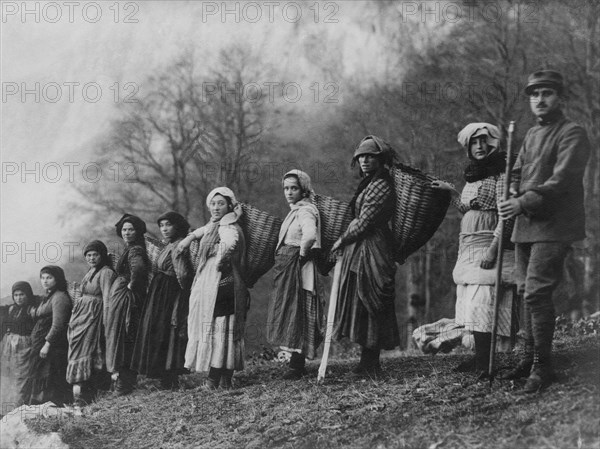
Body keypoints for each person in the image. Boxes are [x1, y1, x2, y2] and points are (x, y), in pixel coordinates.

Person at [498, 70, 590, 393]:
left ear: (560, 97)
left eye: (547, 93)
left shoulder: (573, 134)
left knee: (536, 291)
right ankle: (527, 357)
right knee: (524, 291)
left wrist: (522, 202)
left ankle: (542, 365)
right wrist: (510, 188)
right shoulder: (532, 136)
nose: (540, 99)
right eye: (534, 94)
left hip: (555, 224)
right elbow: (519, 169)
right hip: (526, 225)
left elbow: (561, 181)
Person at [432, 123, 516, 378]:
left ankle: (486, 363)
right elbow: (467, 208)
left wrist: (493, 250)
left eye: (483, 141)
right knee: (469, 302)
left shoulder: (502, 173)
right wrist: (452, 192)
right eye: (474, 143)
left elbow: (508, 215)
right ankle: (479, 357)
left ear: (493, 143)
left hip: (489, 242)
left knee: (483, 302)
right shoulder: (474, 174)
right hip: (468, 244)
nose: (479, 147)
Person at [330, 135, 400, 377]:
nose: (364, 161)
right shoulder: (369, 183)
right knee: (361, 301)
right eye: (361, 157)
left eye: (370, 156)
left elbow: (366, 221)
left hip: (376, 248)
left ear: (381, 159)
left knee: (372, 299)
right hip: (362, 249)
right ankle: (365, 362)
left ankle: (372, 363)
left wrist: (341, 240)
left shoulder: (382, 185)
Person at [179, 187, 250, 390]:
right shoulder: (215, 225)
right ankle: (224, 379)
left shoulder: (229, 225)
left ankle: (214, 379)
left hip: (224, 282)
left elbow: (229, 242)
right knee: (220, 327)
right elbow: (203, 231)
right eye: (213, 203)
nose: (216, 207)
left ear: (229, 205)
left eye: (221, 203)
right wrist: (188, 239)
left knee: (221, 326)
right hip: (212, 281)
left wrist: (221, 259)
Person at [267, 170, 323, 380]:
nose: (289, 192)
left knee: (299, 310)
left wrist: (301, 255)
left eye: (294, 188)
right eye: (286, 188)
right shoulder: (295, 210)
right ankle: (294, 361)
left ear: (304, 189)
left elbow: (309, 235)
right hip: (288, 268)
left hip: (299, 268)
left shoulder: (305, 211)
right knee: (290, 309)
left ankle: (297, 365)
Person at [132, 211, 193, 389]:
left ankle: (170, 376)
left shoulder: (180, 245)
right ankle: (164, 377)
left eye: (168, 225)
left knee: (168, 331)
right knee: (159, 330)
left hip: (171, 292)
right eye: (162, 226)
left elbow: (183, 273)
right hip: (160, 292)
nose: (164, 229)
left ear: (177, 225)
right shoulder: (170, 244)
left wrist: (180, 294)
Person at [105, 214, 150, 396]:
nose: (127, 233)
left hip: (128, 300)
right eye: (124, 230)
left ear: (137, 231)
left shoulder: (136, 250)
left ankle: (125, 383)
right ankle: (125, 382)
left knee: (126, 335)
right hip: (124, 298)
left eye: (131, 229)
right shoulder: (130, 248)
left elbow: (138, 269)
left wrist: (131, 284)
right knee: (125, 336)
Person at [66, 240, 116, 405]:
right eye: (88, 255)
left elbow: (108, 298)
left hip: (95, 316)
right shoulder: (90, 272)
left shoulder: (106, 272)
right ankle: (81, 391)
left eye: (95, 255)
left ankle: (91, 393)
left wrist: (106, 321)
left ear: (102, 256)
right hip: (82, 316)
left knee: (93, 351)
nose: (92, 258)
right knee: (79, 350)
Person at [28, 266, 73, 405]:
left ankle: (54, 406)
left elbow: (58, 325)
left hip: (54, 346)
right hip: (42, 344)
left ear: (57, 279)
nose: (45, 281)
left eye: (49, 278)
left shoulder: (59, 297)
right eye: (43, 278)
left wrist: (47, 345)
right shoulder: (49, 296)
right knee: (41, 374)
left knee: (51, 376)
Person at [0, 282, 36, 410]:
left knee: (21, 377)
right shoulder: (11, 309)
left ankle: (18, 408)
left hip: (24, 346)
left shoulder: (31, 310)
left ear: (28, 295)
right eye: (16, 295)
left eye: (22, 294)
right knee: (7, 376)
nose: (19, 298)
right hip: (8, 345)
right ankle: (5, 409)